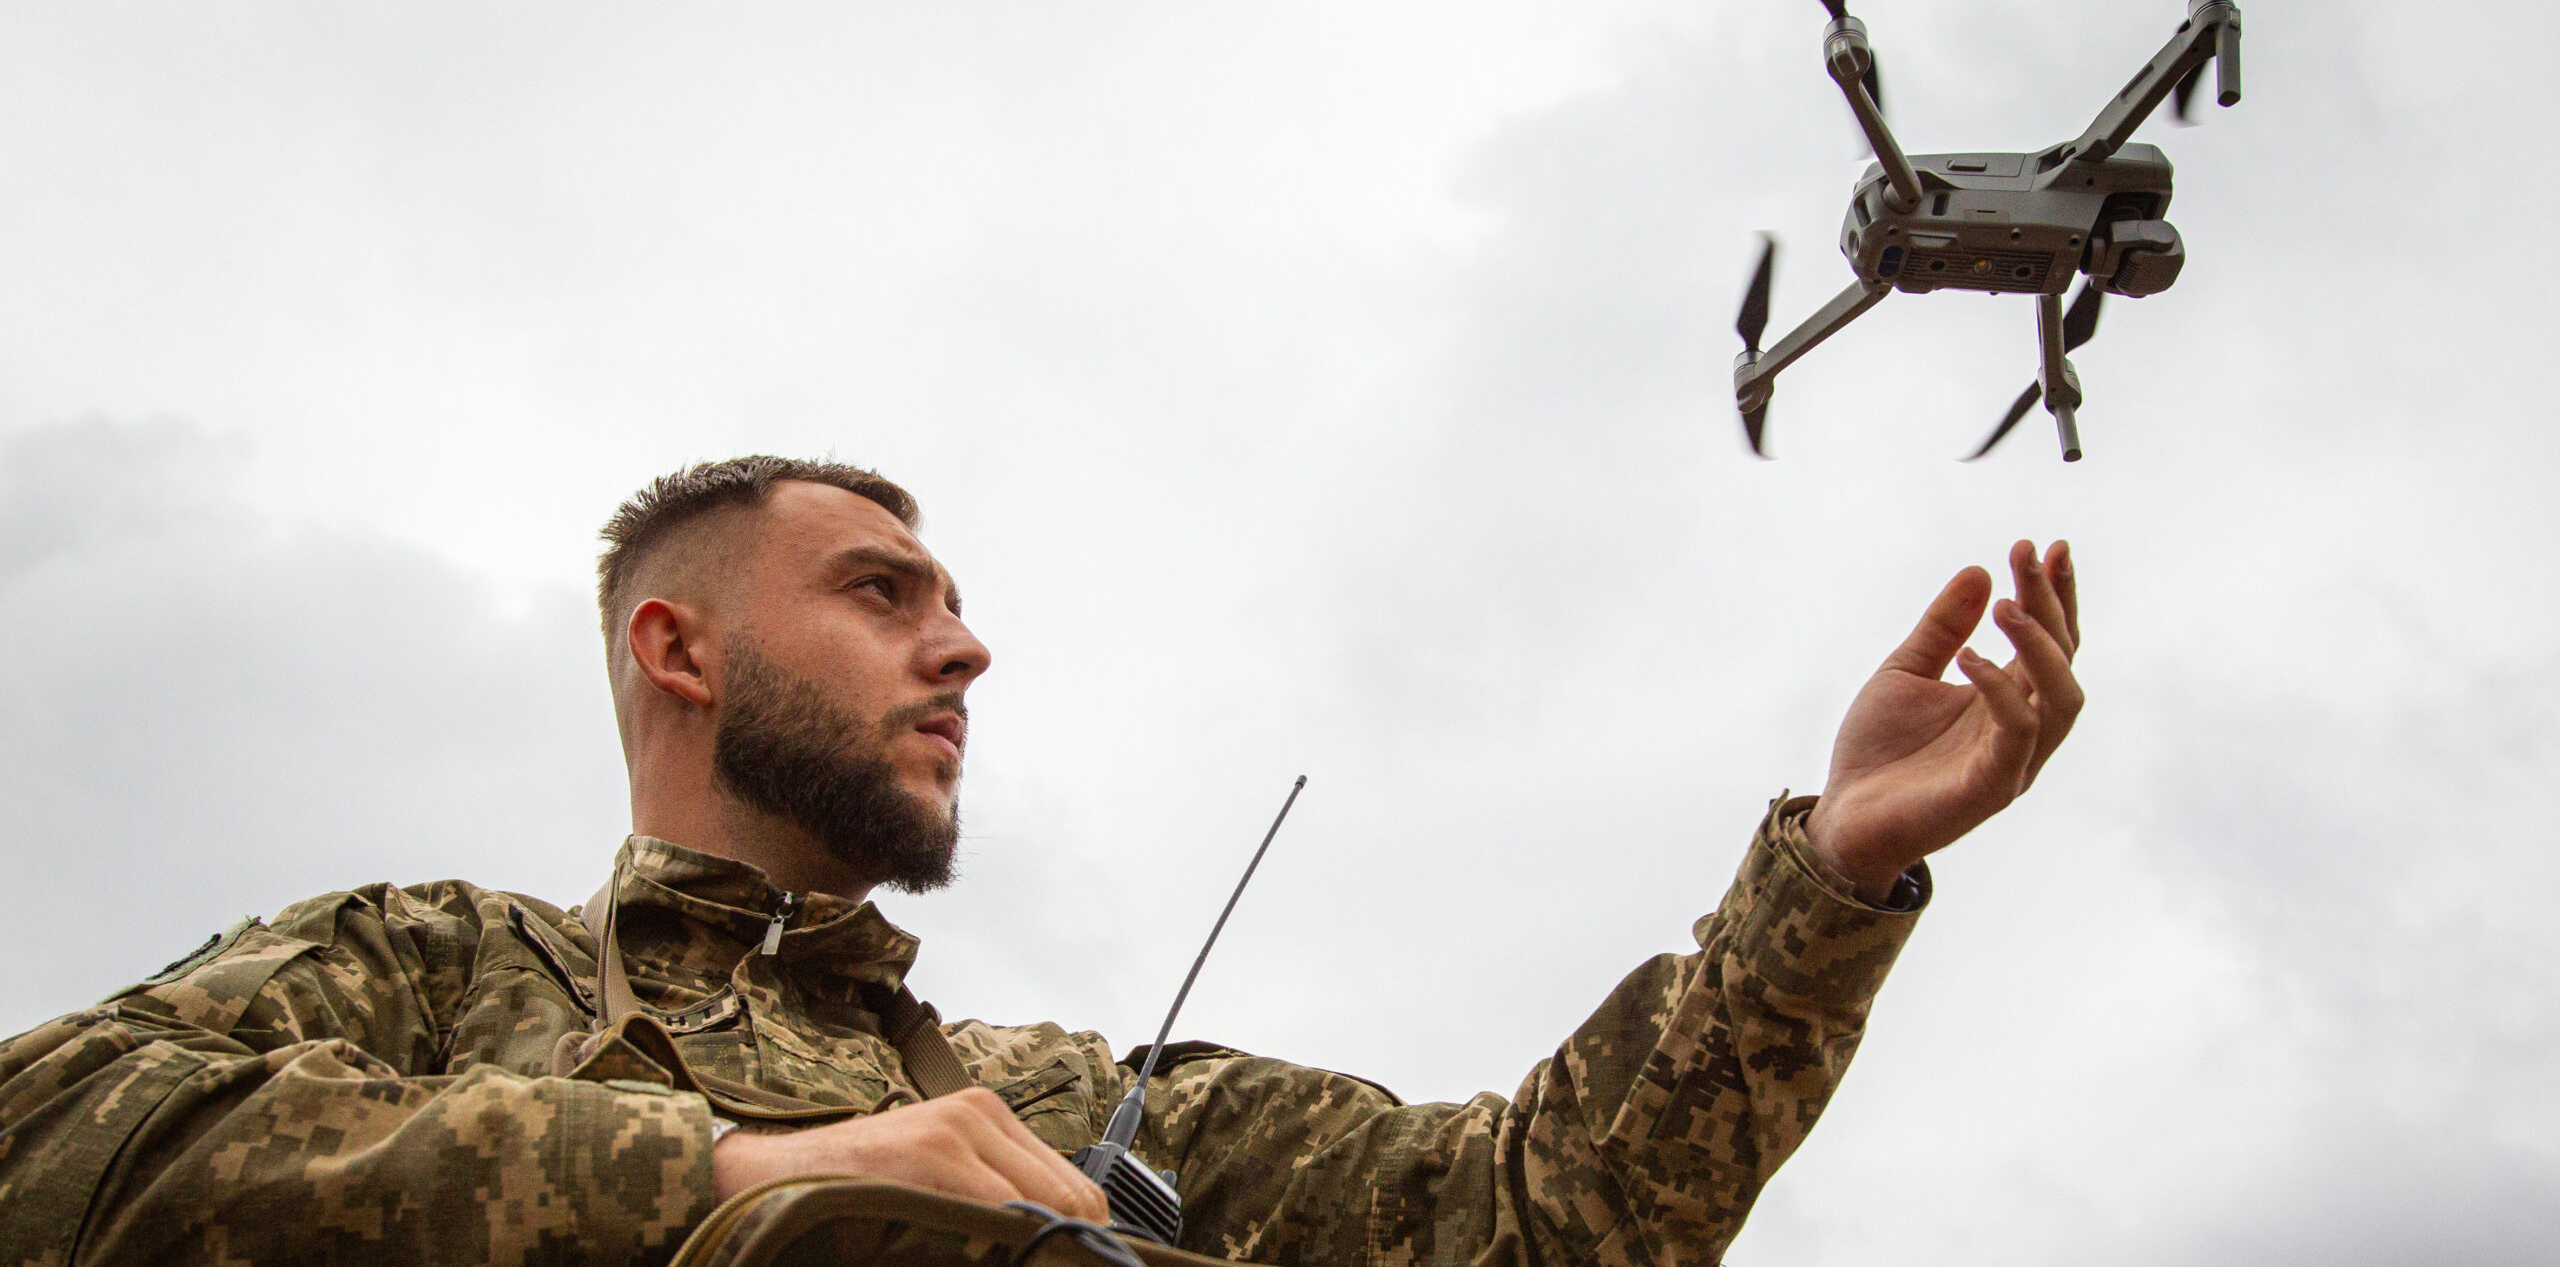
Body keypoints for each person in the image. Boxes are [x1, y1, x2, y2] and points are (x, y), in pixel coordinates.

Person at [0, 456, 2083, 1267]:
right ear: (681, 646)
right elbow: (41, 1131)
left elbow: (1534, 1218)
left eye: (956, 596)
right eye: (884, 588)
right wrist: (721, 1173)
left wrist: (1823, 875)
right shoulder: (441, 965)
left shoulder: (1059, 1101)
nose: (966, 639)